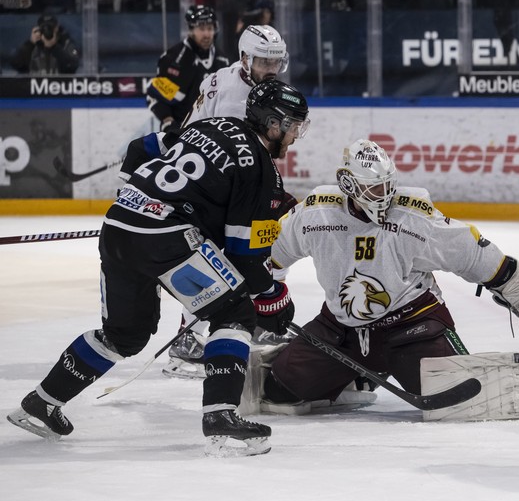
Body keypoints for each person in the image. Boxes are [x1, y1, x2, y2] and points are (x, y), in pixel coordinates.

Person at [7, 80, 310, 457]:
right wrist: (273, 297)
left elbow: (142, 148)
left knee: (124, 335)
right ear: (272, 123)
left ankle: (41, 404)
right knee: (234, 313)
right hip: (166, 238)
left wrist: (136, 197)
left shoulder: (207, 125)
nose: (296, 135)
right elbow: (244, 258)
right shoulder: (261, 170)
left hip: (118, 225)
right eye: (293, 125)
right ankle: (221, 420)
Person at [254, 139, 519, 413]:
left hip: (410, 325)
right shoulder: (315, 213)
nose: (385, 194)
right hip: (342, 330)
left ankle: (377, 365)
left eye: (388, 184)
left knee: (457, 394)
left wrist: (508, 278)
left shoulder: (411, 215)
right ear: (349, 185)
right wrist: (266, 291)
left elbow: (465, 246)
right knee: (281, 391)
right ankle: (356, 375)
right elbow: (273, 251)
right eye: (375, 188)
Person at [161, 23, 292, 379]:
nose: (273, 70)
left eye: (277, 62)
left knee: (271, 244)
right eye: (265, 61)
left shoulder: (255, 85)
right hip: (218, 188)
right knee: (221, 261)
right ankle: (189, 337)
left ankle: (257, 322)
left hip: (233, 185)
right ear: (245, 59)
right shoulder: (231, 91)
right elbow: (213, 143)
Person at [146, 4, 230, 135]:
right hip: (181, 130)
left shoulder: (223, 61)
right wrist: (168, 121)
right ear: (191, 29)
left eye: (210, 28)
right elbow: (155, 96)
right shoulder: (174, 60)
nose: (207, 34)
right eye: (201, 29)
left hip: (213, 133)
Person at [9, 14, 80, 75]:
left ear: (57, 28)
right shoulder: (33, 45)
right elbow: (16, 64)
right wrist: (30, 44)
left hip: (58, 87)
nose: (47, 30)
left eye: (51, 27)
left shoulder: (65, 43)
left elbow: (72, 66)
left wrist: (54, 47)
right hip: (34, 87)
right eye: (44, 28)